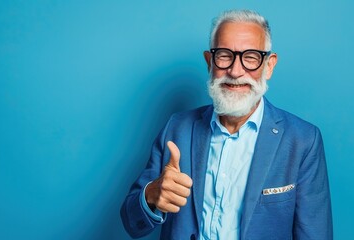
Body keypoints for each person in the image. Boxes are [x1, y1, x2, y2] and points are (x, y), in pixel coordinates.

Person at [120, 9, 332, 240]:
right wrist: (151, 195)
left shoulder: (302, 140)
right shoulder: (177, 127)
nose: (235, 71)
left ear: (269, 66)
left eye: (250, 57)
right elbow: (133, 224)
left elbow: (315, 234)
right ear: (209, 62)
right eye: (224, 55)